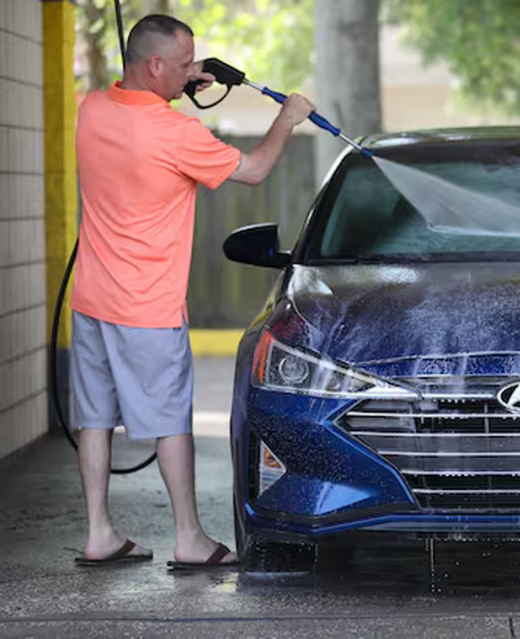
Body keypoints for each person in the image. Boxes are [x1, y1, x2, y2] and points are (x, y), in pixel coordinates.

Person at [70, 14, 315, 567]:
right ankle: (189, 538)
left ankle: (99, 534)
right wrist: (288, 118)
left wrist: (179, 82)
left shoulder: (92, 109)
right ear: (154, 65)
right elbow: (253, 170)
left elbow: (141, 122)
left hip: (90, 301)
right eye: (183, 66)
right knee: (170, 423)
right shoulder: (176, 134)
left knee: (94, 418)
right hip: (147, 307)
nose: (191, 74)